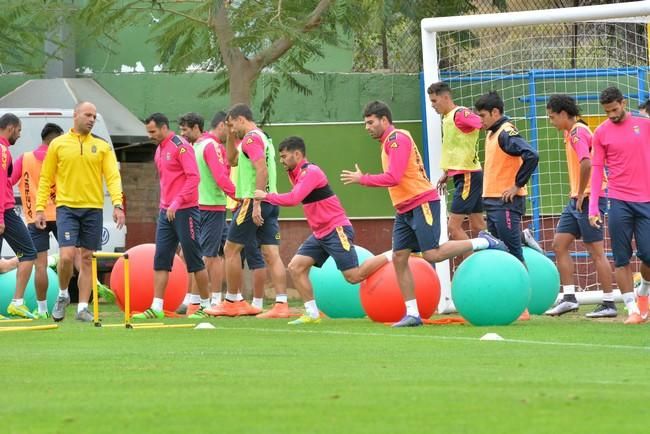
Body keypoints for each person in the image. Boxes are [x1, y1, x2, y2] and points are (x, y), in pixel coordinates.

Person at [341, 101, 507, 327]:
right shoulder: (388, 142)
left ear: (384, 120)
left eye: (370, 122)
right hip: (404, 208)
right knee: (400, 257)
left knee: (432, 254)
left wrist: (364, 179)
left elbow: (394, 177)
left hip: (421, 203)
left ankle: (482, 241)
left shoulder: (397, 139)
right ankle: (412, 314)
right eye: (365, 123)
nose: (367, 127)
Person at [255, 136, 389, 324]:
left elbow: (294, 199)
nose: (281, 161)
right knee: (296, 267)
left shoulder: (311, 172)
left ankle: (394, 254)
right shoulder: (294, 173)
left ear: (297, 154)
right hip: (320, 233)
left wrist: (266, 196)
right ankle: (312, 314)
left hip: (336, 229)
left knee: (353, 276)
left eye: (284, 156)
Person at [35, 102, 125, 322]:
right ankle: (64, 294)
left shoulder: (102, 146)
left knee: (86, 258)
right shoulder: (58, 144)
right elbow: (46, 178)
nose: (92, 119)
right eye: (88, 115)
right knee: (66, 257)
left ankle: (82, 308)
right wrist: (39, 208)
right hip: (66, 208)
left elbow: (113, 177)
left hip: (93, 209)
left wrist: (117, 204)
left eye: (94, 116)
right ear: (75, 115)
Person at [208, 104, 288, 318]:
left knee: (230, 250)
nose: (231, 129)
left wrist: (257, 203)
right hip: (271, 201)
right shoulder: (262, 138)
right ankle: (282, 304)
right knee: (272, 253)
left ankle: (232, 300)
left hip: (253, 201)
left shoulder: (251, 139)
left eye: (232, 125)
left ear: (241, 119)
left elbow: (260, 168)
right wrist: (229, 137)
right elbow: (231, 160)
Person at [544, 94, 615, 318]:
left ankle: (609, 302)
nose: (551, 121)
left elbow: (586, 163)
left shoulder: (578, 132)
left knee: (596, 251)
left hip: (588, 197)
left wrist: (584, 192)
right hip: (576, 198)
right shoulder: (571, 132)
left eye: (552, 117)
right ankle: (569, 298)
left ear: (564, 114)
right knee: (559, 244)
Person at [133, 113, 210, 320]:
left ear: (164, 127)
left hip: (186, 211)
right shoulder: (159, 149)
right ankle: (156, 307)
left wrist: (177, 202)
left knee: (194, 259)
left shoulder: (181, 146)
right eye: (148, 132)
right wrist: (165, 205)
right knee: (161, 259)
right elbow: (167, 182)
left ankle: (205, 305)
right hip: (165, 212)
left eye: (153, 131)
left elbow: (194, 177)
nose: (150, 136)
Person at [588, 86, 650, 325]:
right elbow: (596, 170)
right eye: (607, 111)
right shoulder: (601, 133)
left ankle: (643, 290)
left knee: (647, 254)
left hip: (646, 200)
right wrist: (593, 206)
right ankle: (632, 309)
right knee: (621, 258)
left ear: (623, 103)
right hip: (618, 200)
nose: (611, 115)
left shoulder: (645, 125)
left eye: (614, 109)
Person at [10, 123, 64, 319]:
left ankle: (42, 310)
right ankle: (67, 297)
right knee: (71, 257)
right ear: (54, 140)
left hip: (34, 218)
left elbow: (8, 181)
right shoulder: (60, 159)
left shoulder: (24, 159)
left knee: (39, 266)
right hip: (62, 215)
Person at [427, 82, 486, 243]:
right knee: (478, 226)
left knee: (453, 228)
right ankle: (504, 248)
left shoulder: (460, 114)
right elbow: (453, 148)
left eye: (434, 101)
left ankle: (469, 263)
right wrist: (447, 173)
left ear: (445, 97)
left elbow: (483, 123)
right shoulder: (448, 118)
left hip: (468, 175)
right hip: (466, 175)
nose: (432, 105)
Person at [0, 113, 37, 320]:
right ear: (11, 127)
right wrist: (1, 218)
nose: (20, 135)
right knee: (29, 253)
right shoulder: (3, 151)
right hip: (4, 210)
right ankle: (17, 303)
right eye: (20, 130)